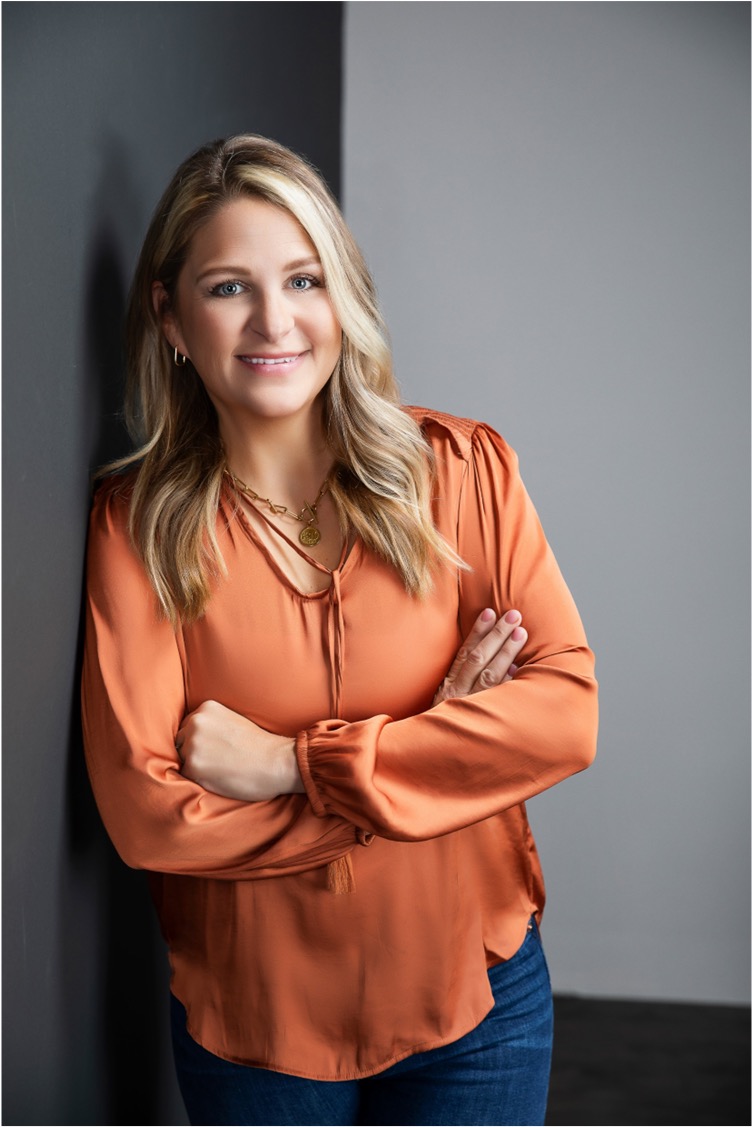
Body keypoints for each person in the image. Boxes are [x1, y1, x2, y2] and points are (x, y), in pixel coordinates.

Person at [82, 134, 598, 1127]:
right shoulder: (136, 525)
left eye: (303, 278)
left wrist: (290, 764)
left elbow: (563, 715)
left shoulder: (461, 470)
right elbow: (148, 811)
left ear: (342, 297)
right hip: (258, 1031)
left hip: (480, 1000)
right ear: (172, 315)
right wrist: (439, 754)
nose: (274, 321)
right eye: (229, 286)